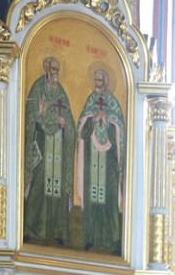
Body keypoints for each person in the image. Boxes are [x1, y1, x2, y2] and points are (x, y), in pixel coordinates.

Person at [23, 56, 75, 247]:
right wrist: (50, 120)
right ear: (46, 69)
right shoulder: (38, 88)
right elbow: (32, 114)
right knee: (39, 183)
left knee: (58, 188)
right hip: (42, 145)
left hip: (58, 147)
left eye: (57, 69)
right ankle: (30, 228)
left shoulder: (61, 92)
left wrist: (65, 124)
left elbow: (69, 120)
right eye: (52, 69)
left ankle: (59, 232)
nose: (55, 73)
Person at [76, 68, 126, 254]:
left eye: (101, 79)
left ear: (106, 82)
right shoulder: (90, 101)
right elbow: (82, 128)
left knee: (109, 199)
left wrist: (109, 120)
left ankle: (112, 239)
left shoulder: (112, 102)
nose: (98, 83)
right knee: (92, 198)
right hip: (92, 158)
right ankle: (90, 237)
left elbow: (120, 126)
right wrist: (92, 118)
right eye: (96, 79)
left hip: (109, 162)